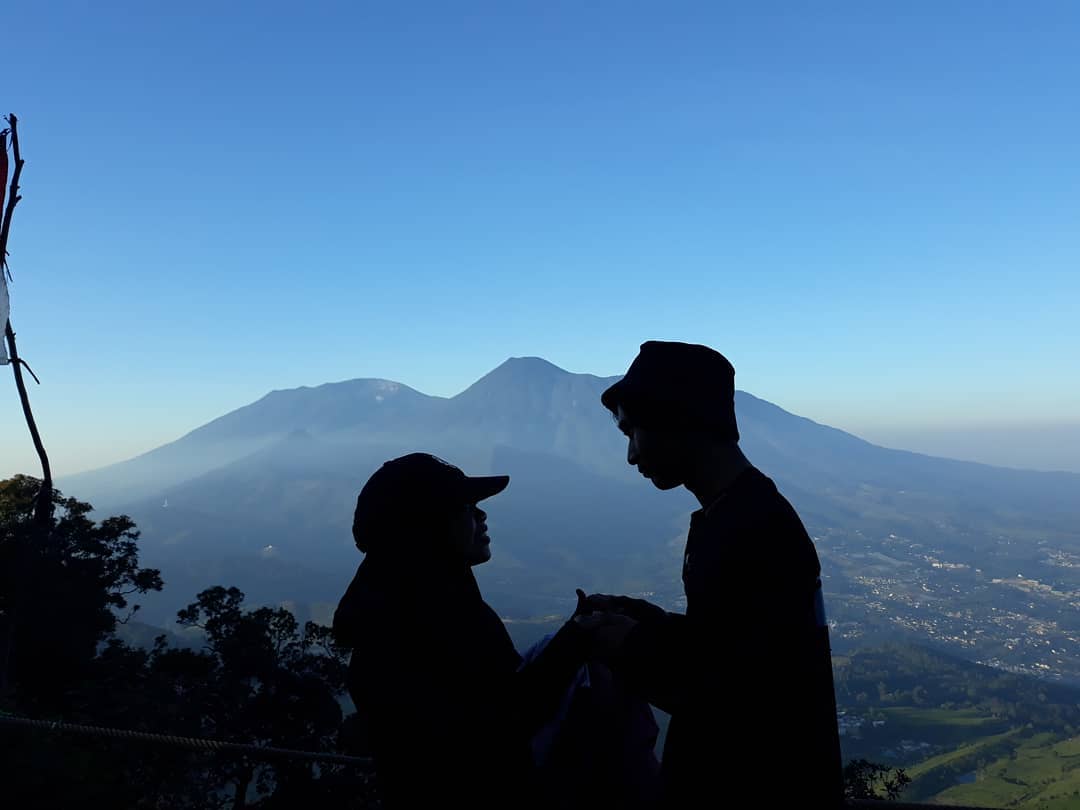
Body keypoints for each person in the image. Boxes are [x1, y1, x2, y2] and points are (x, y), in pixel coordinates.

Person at [576, 340, 844, 808]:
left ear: (678, 421)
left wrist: (630, 644)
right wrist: (645, 619)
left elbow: (740, 698)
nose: (632, 456)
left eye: (633, 432)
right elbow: (726, 642)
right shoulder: (734, 514)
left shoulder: (753, 528)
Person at [332, 452, 657, 809]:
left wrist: (573, 635)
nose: (481, 515)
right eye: (466, 507)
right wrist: (575, 642)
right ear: (428, 525)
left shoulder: (401, 605)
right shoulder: (431, 620)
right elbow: (499, 725)